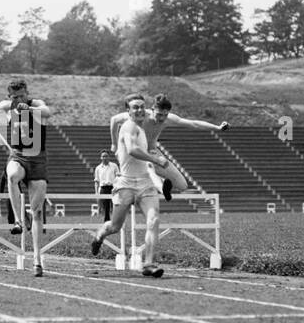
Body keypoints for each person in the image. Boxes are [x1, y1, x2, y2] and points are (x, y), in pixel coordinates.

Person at [0, 80, 53, 277]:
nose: (19, 100)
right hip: (18, 154)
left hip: (38, 159)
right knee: (12, 175)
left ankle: (37, 260)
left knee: (37, 213)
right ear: (10, 97)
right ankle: (18, 220)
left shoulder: (36, 104)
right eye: (15, 97)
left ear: (27, 93)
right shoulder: (8, 106)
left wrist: (30, 109)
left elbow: (47, 112)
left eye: (22, 96)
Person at [90, 95, 167, 277]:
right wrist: (155, 159)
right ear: (128, 111)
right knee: (115, 227)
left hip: (145, 184)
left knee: (154, 220)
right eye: (135, 107)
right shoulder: (128, 126)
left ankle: (148, 263)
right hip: (125, 184)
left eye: (142, 107)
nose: (139, 110)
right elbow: (132, 149)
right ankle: (100, 234)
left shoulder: (142, 128)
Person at [108, 92, 229, 200]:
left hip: (152, 151)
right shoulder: (140, 115)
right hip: (135, 154)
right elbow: (114, 120)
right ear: (152, 109)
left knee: (182, 185)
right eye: (159, 114)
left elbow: (194, 124)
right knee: (149, 166)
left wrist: (217, 127)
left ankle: (160, 183)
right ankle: (156, 186)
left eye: (165, 115)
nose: (161, 118)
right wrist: (114, 144)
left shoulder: (168, 119)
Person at [93, 150, 119, 222]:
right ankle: (106, 222)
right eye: (103, 156)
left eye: (106, 156)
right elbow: (96, 181)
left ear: (109, 157)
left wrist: (117, 187)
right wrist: (96, 192)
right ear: (100, 157)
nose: (105, 158)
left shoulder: (114, 166)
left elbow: (118, 177)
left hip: (113, 187)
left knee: (115, 205)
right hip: (103, 188)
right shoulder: (98, 168)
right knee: (105, 207)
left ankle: (115, 221)